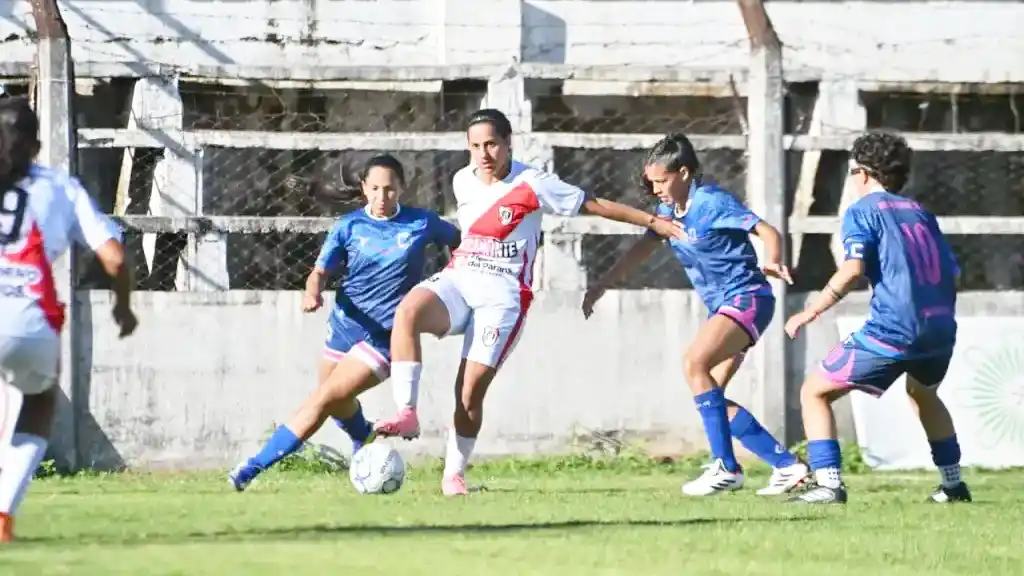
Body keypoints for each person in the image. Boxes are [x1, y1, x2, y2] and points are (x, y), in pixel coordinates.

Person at [372, 108, 687, 496]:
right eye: (475, 146)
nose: (484, 153)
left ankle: (454, 475)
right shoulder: (461, 180)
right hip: (460, 280)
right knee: (408, 311)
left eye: (491, 144)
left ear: (508, 143)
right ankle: (407, 412)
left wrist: (653, 222)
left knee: (468, 394)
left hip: (502, 298)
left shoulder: (533, 183)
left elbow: (593, 204)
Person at [581, 133, 807, 496]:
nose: (655, 189)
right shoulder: (669, 213)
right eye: (651, 182)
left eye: (661, 181)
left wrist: (774, 259)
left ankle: (726, 467)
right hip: (726, 306)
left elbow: (767, 230)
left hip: (747, 298)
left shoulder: (711, 201)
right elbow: (641, 249)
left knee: (693, 363)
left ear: (684, 173)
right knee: (711, 395)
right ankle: (787, 466)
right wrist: (602, 284)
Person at [229, 154, 460, 491]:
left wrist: (448, 285)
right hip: (344, 325)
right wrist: (313, 293)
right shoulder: (348, 226)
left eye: (390, 189)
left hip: (385, 335)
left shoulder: (422, 222)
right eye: (375, 189)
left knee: (322, 399)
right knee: (337, 403)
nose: (382, 197)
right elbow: (319, 272)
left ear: (402, 188)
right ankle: (362, 435)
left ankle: (252, 467)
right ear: (364, 188)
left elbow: (461, 245)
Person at [784, 131, 968, 505]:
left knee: (814, 391)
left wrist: (811, 310)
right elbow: (954, 274)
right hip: (939, 328)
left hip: (894, 330)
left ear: (864, 173)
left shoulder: (863, 210)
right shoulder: (920, 212)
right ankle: (953, 485)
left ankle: (828, 484)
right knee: (923, 393)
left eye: (852, 171)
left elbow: (852, 269)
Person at [0, 96, 137, 541]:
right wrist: (123, 306)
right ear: (37, 145)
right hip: (31, 321)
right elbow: (115, 257)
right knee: (38, 404)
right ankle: (3, 512)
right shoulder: (61, 186)